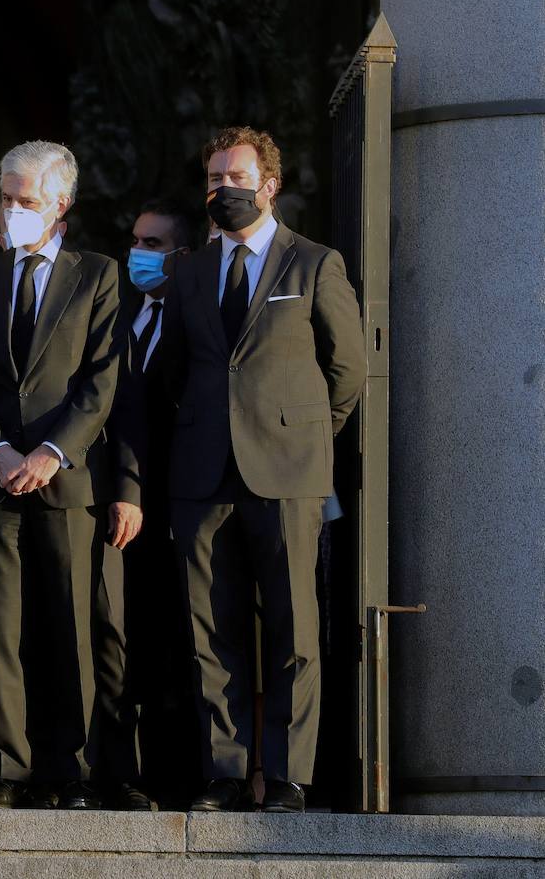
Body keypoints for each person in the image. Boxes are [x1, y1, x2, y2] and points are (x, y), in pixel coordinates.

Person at [165, 127, 365, 814]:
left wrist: (303, 436)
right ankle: (224, 773)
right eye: (214, 178)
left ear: (269, 183)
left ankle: (286, 777)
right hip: (203, 476)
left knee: (293, 633)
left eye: (236, 176)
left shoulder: (313, 264)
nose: (223, 188)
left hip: (287, 474)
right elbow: (172, 370)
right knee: (210, 634)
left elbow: (349, 370)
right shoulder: (188, 271)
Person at [0, 140, 122, 811]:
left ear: (60, 204)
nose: (13, 210)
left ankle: (68, 768)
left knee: (69, 626)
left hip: (65, 480)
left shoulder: (96, 274)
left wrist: (51, 451)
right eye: (7, 198)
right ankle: (6, 768)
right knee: (1, 629)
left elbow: (102, 378)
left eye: (26, 200)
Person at [92, 199, 203, 811]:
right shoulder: (120, 314)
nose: (139, 254)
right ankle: (118, 769)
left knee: (177, 640)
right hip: (117, 507)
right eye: (136, 240)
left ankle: (177, 774)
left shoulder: (195, 314)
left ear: (182, 255)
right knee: (122, 637)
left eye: (153, 244)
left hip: (177, 503)